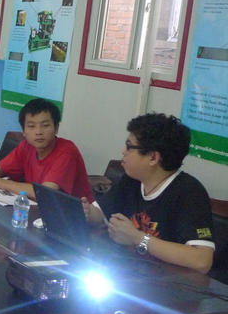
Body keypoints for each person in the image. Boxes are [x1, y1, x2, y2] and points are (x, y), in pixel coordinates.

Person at [82, 113, 214, 274]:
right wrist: (85, 212)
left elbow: (202, 260)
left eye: (129, 146)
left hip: (165, 281)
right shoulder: (132, 180)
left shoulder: (189, 193)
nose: (123, 151)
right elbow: (99, 214)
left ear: (153, 158)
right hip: (128, 270)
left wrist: (139, 238)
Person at [0, 98, 92, 201]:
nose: (38, 132)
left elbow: (45, 192)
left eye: (45, 125)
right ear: (23, 131)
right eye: (31, 126)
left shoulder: (67, 151)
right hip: (38, 209)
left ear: (56, 128)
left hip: (73, 216)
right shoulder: (26, 146)